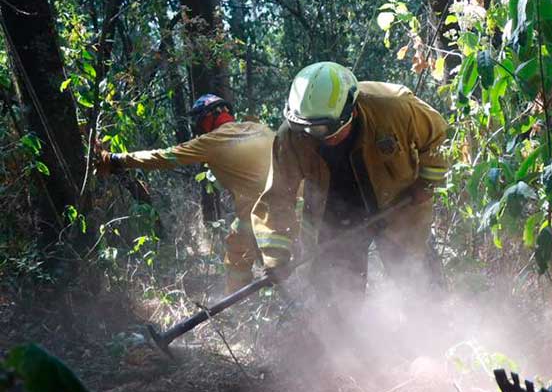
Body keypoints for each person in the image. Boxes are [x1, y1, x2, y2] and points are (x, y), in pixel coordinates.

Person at [251, 61, 449, 318]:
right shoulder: (292, 136)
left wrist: (427, 182)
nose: (313, 135)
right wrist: (275, 257)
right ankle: (349, 348)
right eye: (306, 128)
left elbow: (439, 136)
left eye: (323, 128)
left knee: (417, 279)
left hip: (400, 207)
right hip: (335, 217)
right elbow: (277, 198)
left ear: (351, 111)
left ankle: (437, 336)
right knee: (338, 298)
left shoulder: (393, 107)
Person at [96, 94, 273, 293]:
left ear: (205, 119)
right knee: (240, 245)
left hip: (262, 212)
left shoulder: (212, 141)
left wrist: (114, 159)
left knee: (241, 255)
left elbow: (162, 157)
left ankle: (238, 303)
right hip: (294, 201)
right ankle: (257, 301)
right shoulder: (261, 129)